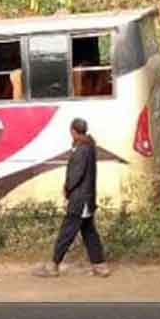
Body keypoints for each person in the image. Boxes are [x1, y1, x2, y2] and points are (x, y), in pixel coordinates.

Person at [33, 118, 110, 278]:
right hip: (86, 199)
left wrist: (67, 189)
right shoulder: (89, 146)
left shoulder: (81, 149)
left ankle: (54, 265)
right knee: (89, 232)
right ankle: (100, 266)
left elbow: (76, 174)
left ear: (74, 131)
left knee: (66, 232)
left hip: (79, 199)